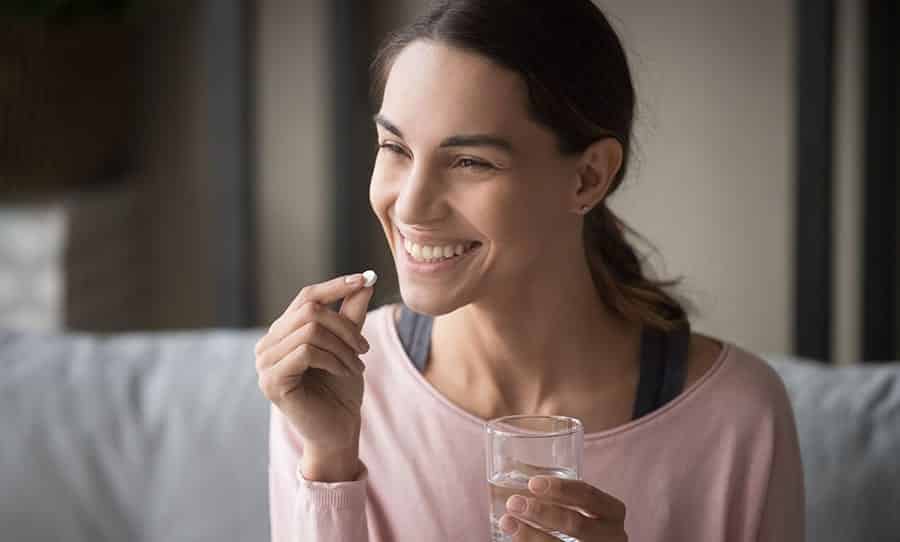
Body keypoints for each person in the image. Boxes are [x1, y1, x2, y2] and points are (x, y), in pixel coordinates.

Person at [256, 1, 805, 540]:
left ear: (589, 177)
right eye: (395, 147)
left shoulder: (737, 419)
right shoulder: (331, 384)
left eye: (470, 161)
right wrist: (328, 463)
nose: (410, 207)